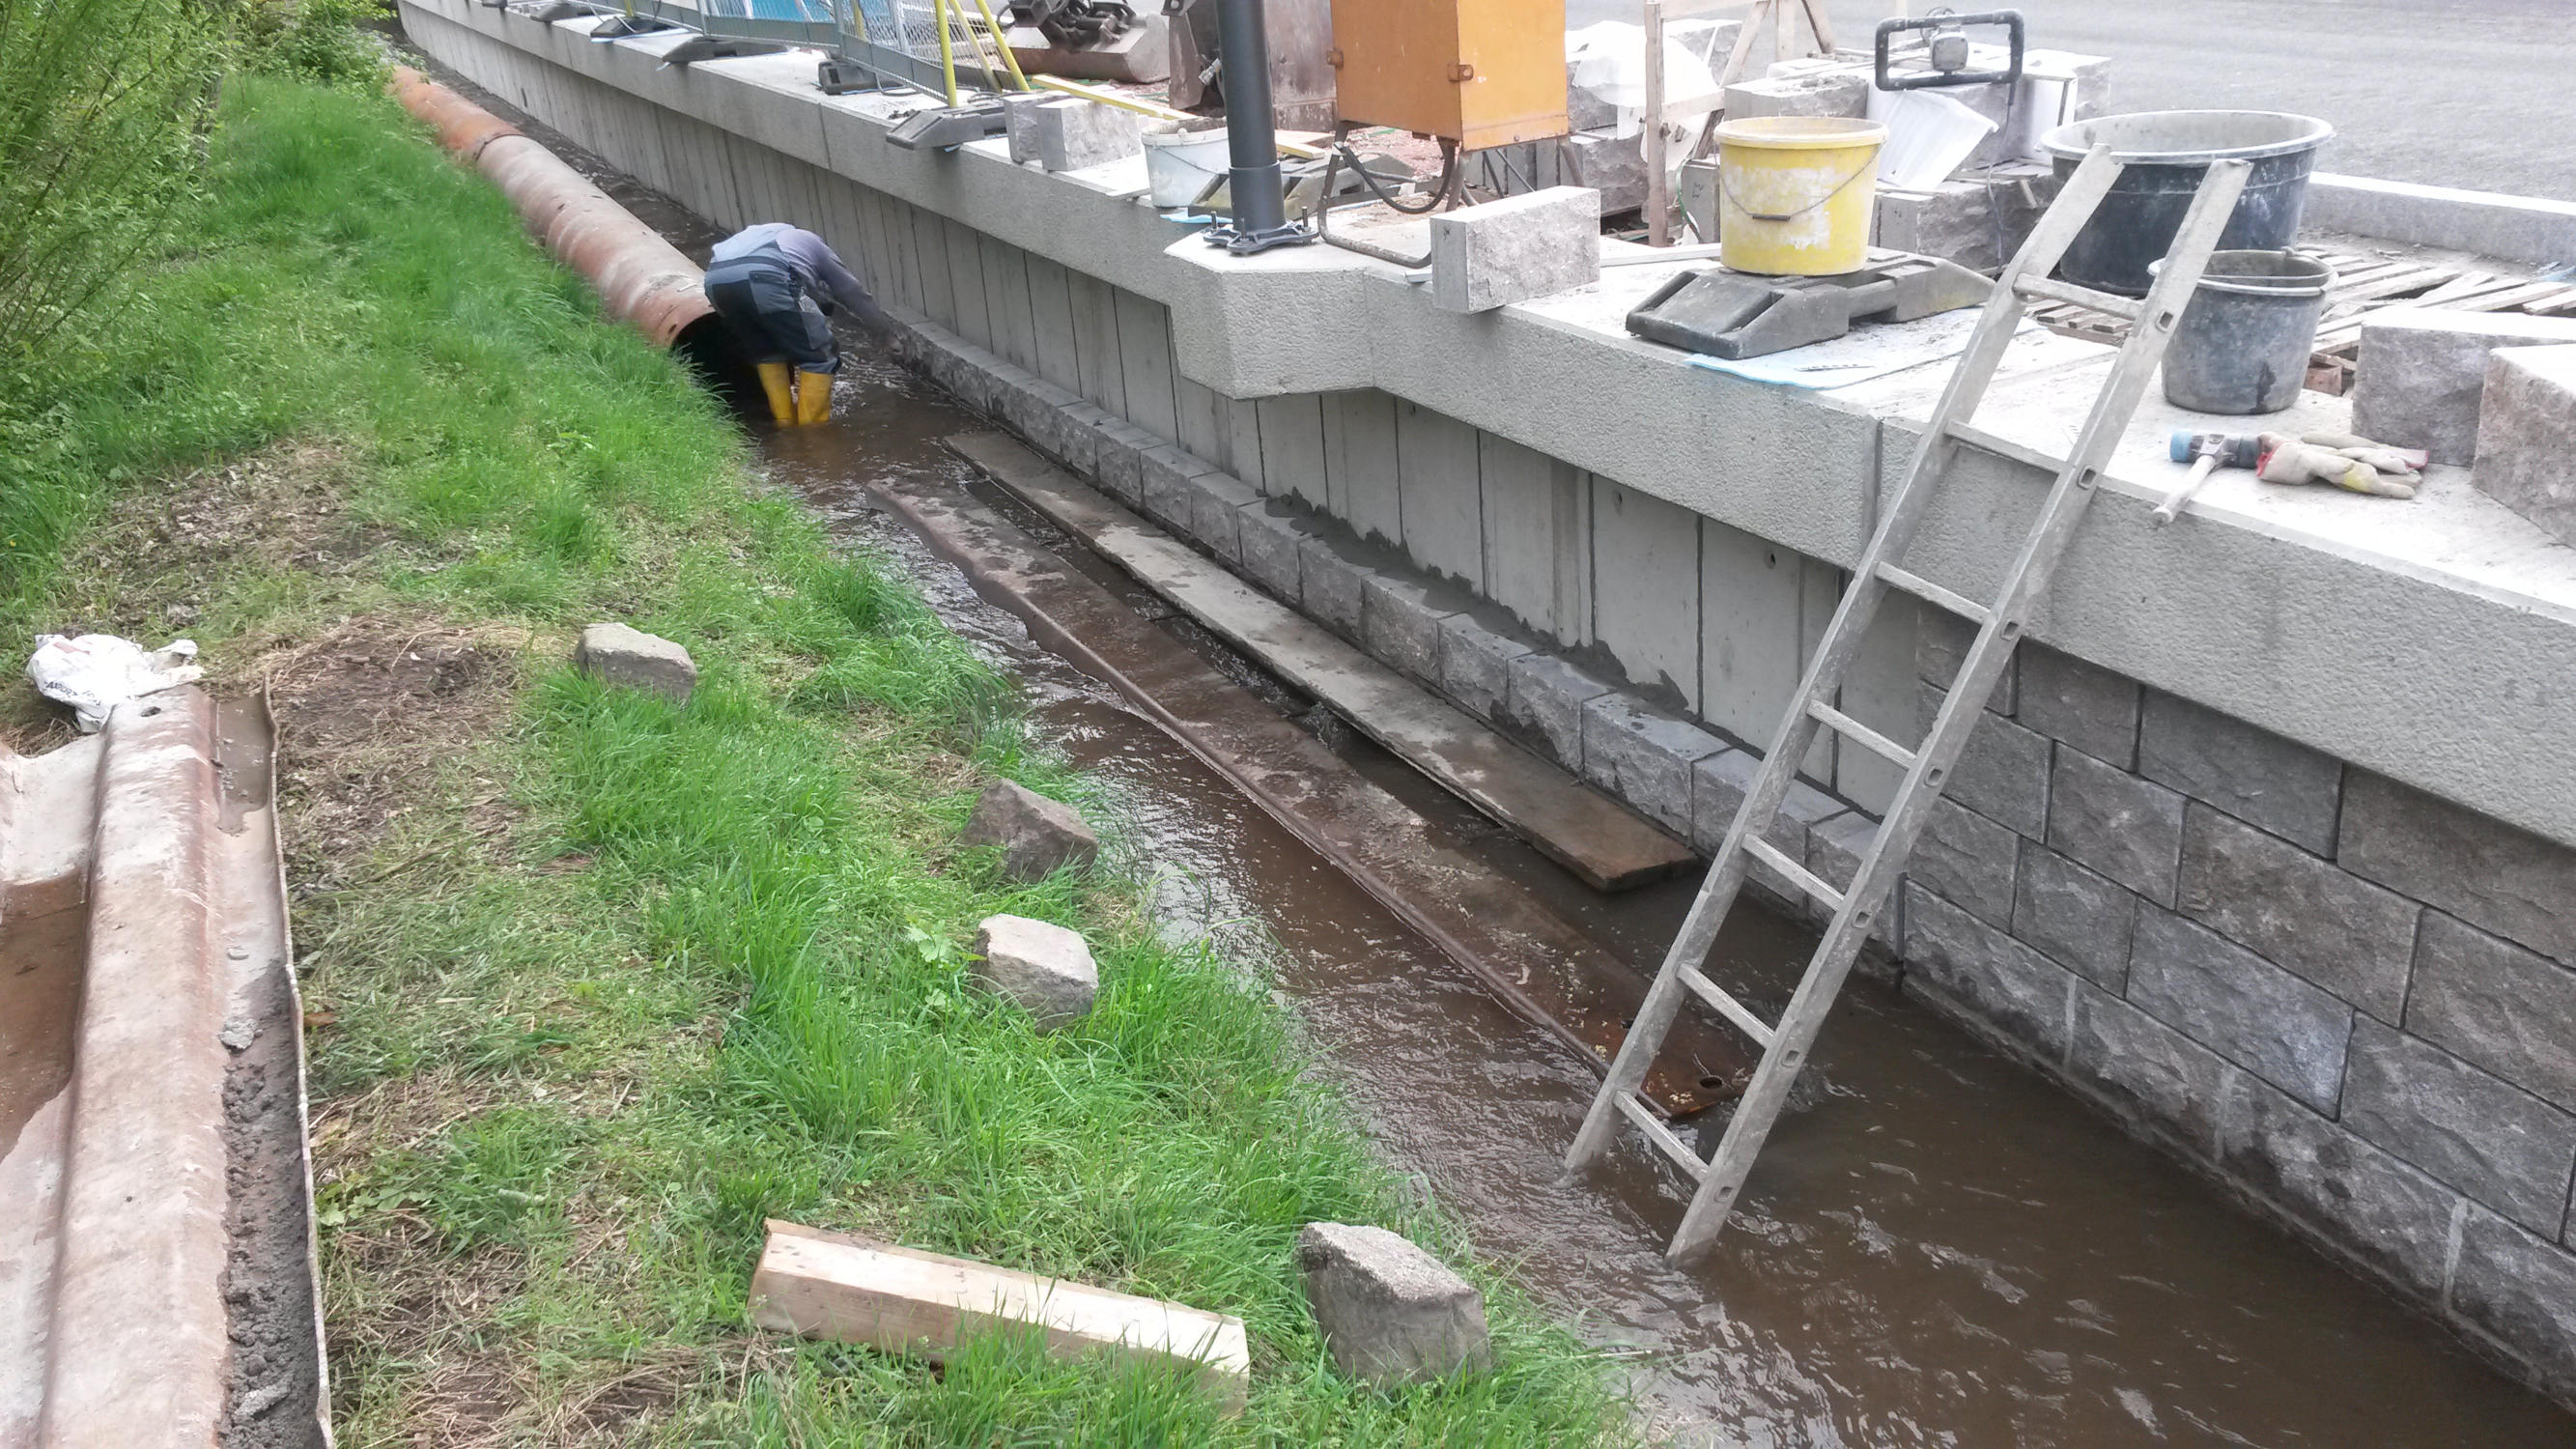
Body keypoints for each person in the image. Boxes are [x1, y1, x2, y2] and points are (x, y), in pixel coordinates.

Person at [701, 222, 891, 426]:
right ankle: (811, 436)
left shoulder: (752, 239)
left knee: (767, 353)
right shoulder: (810, 240)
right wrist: (886, 333)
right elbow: (851, 291)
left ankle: (784, 424)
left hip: (715, 284)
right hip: (766, 277)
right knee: (819, 356)